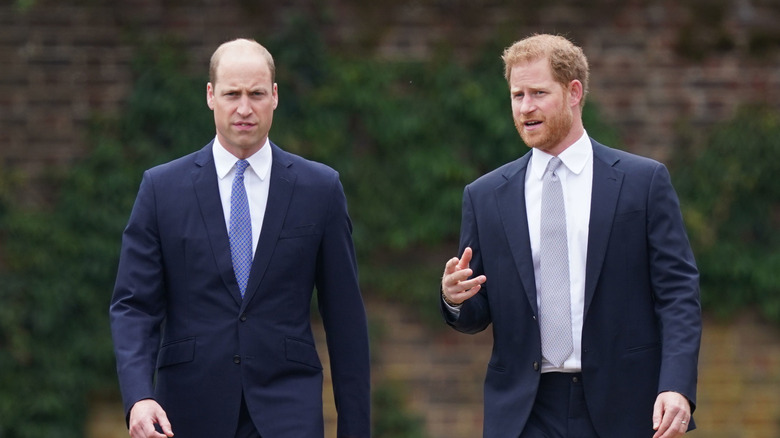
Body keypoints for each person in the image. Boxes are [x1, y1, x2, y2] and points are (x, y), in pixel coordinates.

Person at [440, 34, 701, 438]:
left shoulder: (642, 183)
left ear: (573, 92)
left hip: (626, 405)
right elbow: (479, 314)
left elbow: (678, 294)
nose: (525, 107)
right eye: (517, 95)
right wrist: (457, 299)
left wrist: (677, 386)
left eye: (538, 93)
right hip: (524, 412)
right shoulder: (485, 196)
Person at [110, 38, 370, 438]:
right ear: (211, 95)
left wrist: (355, 430)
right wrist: (139, 397)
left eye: (257, 94)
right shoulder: (161, 189)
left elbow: (346, 321)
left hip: (289, 409)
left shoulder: (320, 189)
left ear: (275, 97)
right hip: (187, 410)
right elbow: (134, 306)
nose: (244, 108)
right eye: (232, 94)